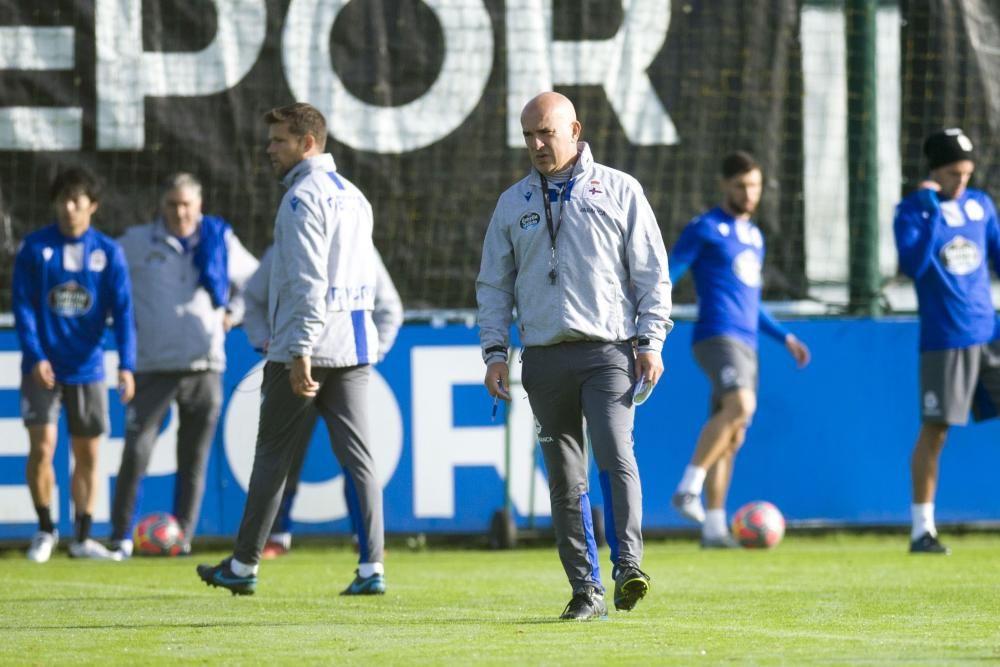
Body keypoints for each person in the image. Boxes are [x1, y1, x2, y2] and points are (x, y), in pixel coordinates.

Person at [477, 92, 672, 620]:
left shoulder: (619, 189)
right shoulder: (513, 202)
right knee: (565, 477)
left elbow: (653, 273)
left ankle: (628, 566)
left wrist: (651, 342)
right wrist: (495, 352)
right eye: (528, 136)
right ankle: (585, 590)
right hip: (542, 358)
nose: (537, 144)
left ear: (575, 129)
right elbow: (494, 285)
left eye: (546, 132)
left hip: (608, 350)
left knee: (613, 454)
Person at [196, 102, 385, 595]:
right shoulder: (356, 197)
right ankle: (372, 570)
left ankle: (243, 567)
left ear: (307, 144)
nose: (268, 149)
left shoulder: (302, 199)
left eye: (278, 140)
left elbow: (306, 282)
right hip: (354, 348)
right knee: (360, 462)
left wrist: (299, 348)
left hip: (305, 349)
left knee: (272, 458)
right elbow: (370, 279)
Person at [109, 173, 259, 557]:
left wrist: (234, 312)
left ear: (199, 207)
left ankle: (183, 538)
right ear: (163, 207)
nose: (180, 212)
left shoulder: (219, 240)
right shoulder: (136, 243)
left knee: (193, 458)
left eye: (187, 205)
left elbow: (258, 280)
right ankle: (122, 537)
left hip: (203, 364)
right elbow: (106, 277)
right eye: (173, 204)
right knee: (137, 449)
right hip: (151, 364)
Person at [668, 151, 811, 547]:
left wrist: (784, 337)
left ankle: (713, 526)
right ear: (725, 186)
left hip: (747, 343)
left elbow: (752, 301)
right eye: (741, 186)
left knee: (732, 435)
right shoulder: (706, 228)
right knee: (741, 406)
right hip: (717, 336)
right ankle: (688, 487)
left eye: (755, 186)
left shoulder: (754, 236)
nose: (749, 194)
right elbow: (670, 272)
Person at [242, 244, 401, 559]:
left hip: (341, 368)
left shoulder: (361, 251)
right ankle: (275, 535)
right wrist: (263, 341)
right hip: (292, 367)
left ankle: (364, 540)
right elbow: (252, 298)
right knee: (285, 454)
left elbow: (390, 308)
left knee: (353, 457)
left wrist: (373, 352)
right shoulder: (283, 251)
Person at [12, 166, 136, 562]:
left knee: (88, 455)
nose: (68, 209)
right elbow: (24, 308)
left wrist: (127, 364)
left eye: (77, 202)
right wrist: (35, 356)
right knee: (43, 448)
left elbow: (124, 312)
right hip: (43, 369)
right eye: (62, 201)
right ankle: (46, 529)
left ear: (92, 207)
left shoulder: (108, 253)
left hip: (88, 368)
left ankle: (82, 537)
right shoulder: (34, 249)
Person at [893, 128, 1000, 555]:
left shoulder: (981, 205)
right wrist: (932, 211)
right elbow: (914, 265)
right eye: (954, 173)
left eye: (967, 173)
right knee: (936, 431)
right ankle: (922, 530)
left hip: (989, 332)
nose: (962, 181)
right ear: (935, 172)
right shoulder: (912, 213)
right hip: (946, 338)